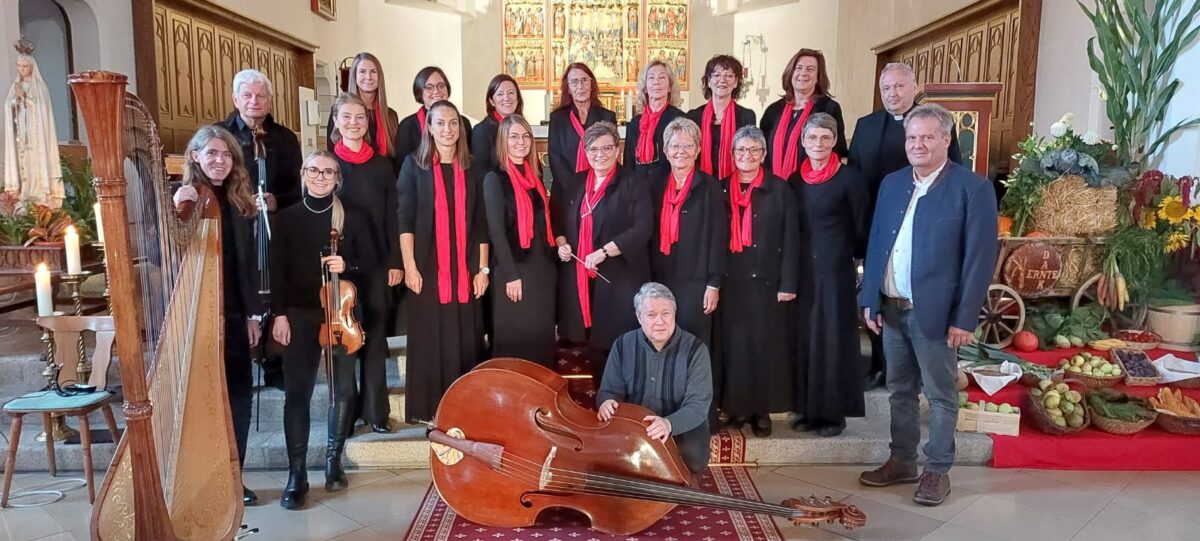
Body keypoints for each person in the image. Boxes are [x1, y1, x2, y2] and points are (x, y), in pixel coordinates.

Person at [857, 104, 997, 507]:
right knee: (899, 389)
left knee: (939, 394)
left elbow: (979, 260)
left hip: (934, 314)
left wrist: (964, 317)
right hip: (892, 306)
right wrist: (870, 297)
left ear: (946, 140)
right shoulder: (893, 183)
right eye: (912, 137)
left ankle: (936, 470)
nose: (917, 144)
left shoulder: (972, 189)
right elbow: (877, 242)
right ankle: (902, 460)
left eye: (926, 137)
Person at [270, 151, 376, 509]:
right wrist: (279, 315)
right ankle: (296, 474)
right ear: (303, 173)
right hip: (299, 313)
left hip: (339, 313)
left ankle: (333, 460)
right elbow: (277, 272)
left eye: (328, 171)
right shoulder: (285, 219)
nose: (320, 176)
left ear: (337, 178)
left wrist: (349, 264)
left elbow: (372, 261)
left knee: (342, 389)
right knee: (296, 394)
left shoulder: (352, 217)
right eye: (314, 170)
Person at [848, 62, 964, 389]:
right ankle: (882, 366)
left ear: (915, 88)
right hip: (879, 226)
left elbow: (954, 172)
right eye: (886, 88)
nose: (893, 94)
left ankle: (921, 367)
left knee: (916, 296)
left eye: (900, 87)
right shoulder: (866, 125)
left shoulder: (934, 124)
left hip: (925, 228)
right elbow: (855, 177)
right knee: (881, 298)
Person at [171, 126, 265, 505]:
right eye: (211, 153)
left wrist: (254, 316)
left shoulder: (239, 201)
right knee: (203, 402)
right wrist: (178, 210)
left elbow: (248, 269)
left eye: (225, 155)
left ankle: (232, 477)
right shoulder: (186, 199)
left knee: (239, 400)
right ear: (194, 156)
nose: (219, 160)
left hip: (235, 315)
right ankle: (198, 478)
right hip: (198, 315)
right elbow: (169, 253)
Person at [397, 100, 489, 424]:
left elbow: (480, 224)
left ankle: (463, 410)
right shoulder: (414, 166)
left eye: (453, 123)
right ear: (430, 128)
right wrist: (409, 266)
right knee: (430, 340)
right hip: (428, 269)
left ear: (461, 128)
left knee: (465, 339)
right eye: (440, 123)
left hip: (465, 269)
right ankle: (431, 413)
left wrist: (483, 270)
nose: (448, 129)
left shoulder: (473, 168)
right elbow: (404, 220)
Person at [552, 121, 651, 390]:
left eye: (607, 148)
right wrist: (562, 243)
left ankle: (623, 399)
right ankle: (601, 395)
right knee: (592, 341)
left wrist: (605, 251)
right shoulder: (574, 183)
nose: (600, 154)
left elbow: (642, 228)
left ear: (617, 150)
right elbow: (557, 221)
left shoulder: (633, 182)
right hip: (583, 275)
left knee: (617, 339)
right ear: (585, 152)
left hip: (619, 275)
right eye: (594, 149)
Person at [717, 126, 799, 438]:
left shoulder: (780, 190)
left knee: (764, 346)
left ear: (763, 155)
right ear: (733, 155)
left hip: (769, 280)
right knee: (735, 346)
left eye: (754, 150)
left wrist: (788, 282)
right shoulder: (721, 189)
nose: (747, 156)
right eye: (741, 151)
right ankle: (736, 407)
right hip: (732, 280)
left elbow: (791, 239)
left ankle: (761, 410)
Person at [791, 113, 870, 437]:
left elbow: (862, 226)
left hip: (835, 272)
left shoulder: (849, 179)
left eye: (825, 138)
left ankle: (833, 414)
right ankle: (809, 410)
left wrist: (850, 261)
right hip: (803, 272)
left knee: (833, 340)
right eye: (812, 138)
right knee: (807, 339)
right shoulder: (795, 181)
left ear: (835, 140)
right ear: (803, 142)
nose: (818, 144)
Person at [329, 93, 401, 433]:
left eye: (360, 117)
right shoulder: (328, 164)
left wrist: (395, 262)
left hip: (375, 263)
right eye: (347, 117)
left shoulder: (382, 165)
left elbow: (393, 217)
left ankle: (376, 412)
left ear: (368, 122)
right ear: (337, 121)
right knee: (346, 342)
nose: (354, 123)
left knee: (373, 339)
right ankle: (348, 411)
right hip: (338, 267)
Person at [596, 282, 712, 474]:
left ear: (674, 314)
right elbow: (609, 390)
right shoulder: (623, 345)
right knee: (605, 459)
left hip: (679, 427)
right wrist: (607, 401)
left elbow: (698, 404)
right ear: (639, 317)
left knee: (693, 460)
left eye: (666, 313)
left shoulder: (696, 350)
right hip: (635, 426)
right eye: (651, 315)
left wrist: (668, 424)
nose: (660, 321)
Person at [482, 115, 557, 367]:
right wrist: (511, 275)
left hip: (541, 271)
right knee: (515, 340)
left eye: (525, 136)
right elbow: (496, 232)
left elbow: (543, 223)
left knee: (540, 338)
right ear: (503, 140)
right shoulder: (495, 179)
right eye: (514, 136)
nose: (521, 141)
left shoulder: (535, 178)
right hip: (513, 270)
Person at [649, 117, 726, 347]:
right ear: (665, 150)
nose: (680, 151)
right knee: (662, 340)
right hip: (662, 277)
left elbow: (718, 237)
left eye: (688, 145)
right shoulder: (655, 186)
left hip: (697, 281)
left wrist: (714, 284)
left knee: (694, 343)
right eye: (675, 145)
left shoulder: (710, 187)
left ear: (698, 150)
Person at [217, 69, 304, 211]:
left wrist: (278, 202)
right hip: (231, 218)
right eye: (247, 95)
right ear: (235, 100)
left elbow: (298, 186)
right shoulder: (218, 134)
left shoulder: (287, 138)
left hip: (276, 221)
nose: (254, 101)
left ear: (270, 101)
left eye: (260, 96)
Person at [760, 49, 847, 180]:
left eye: (810, 69)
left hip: (812, 186)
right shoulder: (773, 111)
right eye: (798, 68)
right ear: (791, 73)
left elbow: (836, 151)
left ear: (818, 77)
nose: (803, 73)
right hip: (775, 188)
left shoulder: (829, 108)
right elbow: (762, 151)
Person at [3, 41, 63, 207]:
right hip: (21, 134)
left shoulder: (41, 88)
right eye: (19, 66)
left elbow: (42, 109)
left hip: (37, 137)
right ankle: (24, 192)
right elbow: (9, 106)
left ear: (31, 67)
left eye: (25, 66)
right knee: (23, 162)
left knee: (35, 163)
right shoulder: (16, 86)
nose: (21, 69)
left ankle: (39, 193)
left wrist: (26, 99)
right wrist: (16, 100)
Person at [548, 63, 616, 201]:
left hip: (601, 191)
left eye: (584, 80)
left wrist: (596, 187)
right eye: (574, 81)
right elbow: (555, 158)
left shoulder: (607, 117)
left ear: (592, 84)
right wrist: (576, 190)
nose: (580, 86)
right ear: (568, 88)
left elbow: (611, 154)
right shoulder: (558, 118)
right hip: (566, 192)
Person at [326, 53, 402, 176]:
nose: (368, 77)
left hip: (384, 181)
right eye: (362, 71)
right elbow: (332, 153)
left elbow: (395, 157)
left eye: (373, 72)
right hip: (349, 179)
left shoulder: (390, 115)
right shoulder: (340, 112)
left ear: (379, 77)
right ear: (354, 76)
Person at [686, 55, 756, 181]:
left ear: (736, 82)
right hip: (700, 183)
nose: (722, 80)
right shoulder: (694, 116)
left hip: (734, 183)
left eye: (729, 75)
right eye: (716, 75)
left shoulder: (747, 116)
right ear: (708, 81)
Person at [396, 67, 474, 162]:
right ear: (420, 92)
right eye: (429, 87)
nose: (437, 91)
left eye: (441, 86)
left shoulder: (463, 122)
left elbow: (469, 159)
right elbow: (401, 166)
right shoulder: (407, 126)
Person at [623, 60, 685, 178]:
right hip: (638, 189)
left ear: (670, 87)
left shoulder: (679, 119)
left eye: (662, 77)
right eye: (651, 78)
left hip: (668, 186)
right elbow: (628, 164)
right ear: (645, 88)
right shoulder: (634, 123)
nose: (656, 82)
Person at [471, 74, 525, 175]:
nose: (506, 98)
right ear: (491, 101)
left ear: (517, 99)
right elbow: (481, 172)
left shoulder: (522, 128)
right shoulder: (482, 130)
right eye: (500, 94)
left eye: (511, 93)